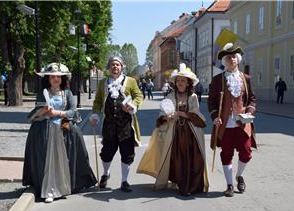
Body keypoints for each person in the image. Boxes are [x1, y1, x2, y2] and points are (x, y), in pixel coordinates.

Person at [23, 63, 97, 203]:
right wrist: (44, 110)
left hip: (64, 129)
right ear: (48, 78)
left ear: (63, 79)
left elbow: (74, 112)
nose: (56, 79)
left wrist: (58, 112)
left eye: (58, 76)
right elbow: (34, 113)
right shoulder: (42, 92)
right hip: (46, 130)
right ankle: (49, 190)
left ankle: (64, 187)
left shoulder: (67, 93)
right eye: (52, 77)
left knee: (64, 159)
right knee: (48, 160)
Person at [137, 63, 209, 196]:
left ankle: (190, 184)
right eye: (178, 80)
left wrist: (181, 114)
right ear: (175, 83)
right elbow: (162, 113)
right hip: (174, 133)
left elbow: (196, 113)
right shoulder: (170, 96)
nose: (180, 83)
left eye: (183, 80)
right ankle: (180, 181)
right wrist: (166, 118)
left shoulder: (192, 97)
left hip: (190, 132)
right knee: (177, 158)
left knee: (191, 157)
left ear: (188, 83)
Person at [207, 43, 257, 197]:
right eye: (229, 58)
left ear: (238, 59)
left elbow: (252, 99)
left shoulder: (246, 78)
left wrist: (249, 112)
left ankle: (239, 175)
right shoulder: (217, 80)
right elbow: (211, 101)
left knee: (246, 152)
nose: (232, 60)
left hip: (243, 123)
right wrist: (215, 117)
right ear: (225, 61)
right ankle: (229, 185)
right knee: (226, 154)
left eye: (234, 57)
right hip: (225, 124)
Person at [90, 56, 143, 192]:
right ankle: (106, 173)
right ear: (109, 67)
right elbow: (97, 101)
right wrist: (95, 114)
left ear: (122, 67)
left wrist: (133, 105)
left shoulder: (130, 81)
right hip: (109, 124)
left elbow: (138, 96)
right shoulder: (103, 83)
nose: (115, 67)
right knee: (107, 152)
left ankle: (124, 181)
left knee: (127, 153)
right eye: (113, 65)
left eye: (117, 65)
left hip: (126, 124)